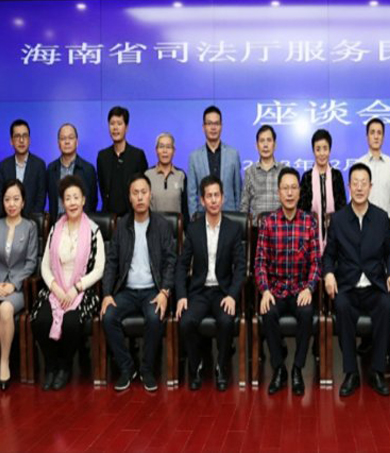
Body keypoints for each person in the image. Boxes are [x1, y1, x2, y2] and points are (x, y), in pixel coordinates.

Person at [323, 163, 390, 398]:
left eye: (363, 183)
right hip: (348, 285)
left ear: (370, 187)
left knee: (387, 304)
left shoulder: (381, 218)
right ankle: (351, 372)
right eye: (354, 183)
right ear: (349, 187)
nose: (359, 188)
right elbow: (329, 255)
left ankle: (377, 371)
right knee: (342, 306)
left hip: (374, 285)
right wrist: (328, 273)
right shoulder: (338, 219)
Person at [101, 174, 176, 392]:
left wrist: (164, 292)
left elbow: (171, 261)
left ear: (150, 195)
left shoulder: (161, 225)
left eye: (144, 192)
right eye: (136, 193)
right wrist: (107, 294)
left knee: (155, 317)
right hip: (127, 291)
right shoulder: (122, 225)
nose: (140, 197)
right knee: (108, 316)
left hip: (153, 290)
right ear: (130, 197)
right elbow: (112, 262)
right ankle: (127, 368)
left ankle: (147, 369)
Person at [30, 175, 105, 391]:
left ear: (83, 200)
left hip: (82, 290)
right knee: (40, 319)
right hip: (55, 289)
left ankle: (64, 366)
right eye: (67, 198)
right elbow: (45, 266)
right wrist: (55, 287)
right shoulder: (55, 229)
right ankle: (51, 364)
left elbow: (99, 268)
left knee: (71, 322)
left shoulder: (93, 230)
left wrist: (75, 288)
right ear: (63, 203)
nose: (72, 202)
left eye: (76, 197)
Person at [255, 167, 321, 396]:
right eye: (285, 188)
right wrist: (264, 290)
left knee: (306, 313)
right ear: (279, 192)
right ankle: (279, 368)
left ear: (299, 192)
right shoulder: (268, 222)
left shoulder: (309, 222)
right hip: (275, 290)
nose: (290, 193)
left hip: (300, 289)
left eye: (294, 188)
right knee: (268, 312)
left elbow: (316, 262)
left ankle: (297, 369)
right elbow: (260, 263)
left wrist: (310, 288)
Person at [176, 175, 246, 391]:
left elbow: (240, 267)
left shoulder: (233, 229)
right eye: (209, 196)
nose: (214, 200)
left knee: (226, 321)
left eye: (217, 195)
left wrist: (232, 295)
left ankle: (221, 367)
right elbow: (181, 265)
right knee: (186, 321)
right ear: (202, 200)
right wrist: (181, 296)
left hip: (223, 291)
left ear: (223, 198)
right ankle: (196, 365)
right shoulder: (194, 229)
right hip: (199, 291)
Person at [0, 179, 38, 391]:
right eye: (7, 199)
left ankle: (4, 362)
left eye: (16, 199)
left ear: (23, 202)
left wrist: (13, 285)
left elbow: (31, 263)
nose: (11, 204)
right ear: (2, 202)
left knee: (5, 309)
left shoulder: (30, 227)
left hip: (17, 287)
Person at [187, 105, 242, 218]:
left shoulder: (233, 154)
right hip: (203, 218)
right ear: (203, 127)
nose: (213, 127)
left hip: (229, 216)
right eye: (209, 123)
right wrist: (194, 218)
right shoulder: (194, 157)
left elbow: (238, 190)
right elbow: (191, 194)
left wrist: (236, 217)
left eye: (216, 123)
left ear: (221, 126)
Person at [298, 128, 347, 253]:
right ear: (313, 151)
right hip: (311, 235)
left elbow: (342, 207)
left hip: (335, 234)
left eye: (325, 148)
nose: (322, 153)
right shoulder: (307, 177)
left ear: (330, 150)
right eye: (318, 149)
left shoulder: (337, 175)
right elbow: (302, 209)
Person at [96, 106, 149, 216]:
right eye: (112, 124)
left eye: (119, 124)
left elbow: (143, 186)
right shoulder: (102, 156)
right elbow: (102, 188)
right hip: (108, 216)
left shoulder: (137, 155)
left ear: (126, 127)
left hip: (132, 215)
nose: (115, 128)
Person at [357, 118, 390, 240]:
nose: (376, 137)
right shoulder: (359, 164)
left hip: (385, 229)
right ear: (367, 137)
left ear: (383, 137)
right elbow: (353, 200)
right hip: (362, 228)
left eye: (379, 133)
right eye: (372, 133)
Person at [0, 119, 47, 214]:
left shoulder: (39, 165)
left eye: (25, 136)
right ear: (11, 141)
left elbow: (41, 199)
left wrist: (29, 221)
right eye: (17, 136)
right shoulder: (3, 166)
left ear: (29, 140)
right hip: (7, 220)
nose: (21, 140)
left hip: (32, 220)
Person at [46, 123, 97, 221]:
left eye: (70, 138)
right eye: (63, 138)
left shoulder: (88, 169)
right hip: (57, 223)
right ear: (58, 144)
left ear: (77, 142)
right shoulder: (51, 169)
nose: (67, 142)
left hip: (81, 224)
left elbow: (92, 202)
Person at [144, 132, 189, 225]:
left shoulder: (181, 175)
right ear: (156, 150)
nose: (165, 151)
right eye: (161, 146)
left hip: (176, 230)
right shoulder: (147, 175)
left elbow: (185, 208)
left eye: (168, 147)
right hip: (153, 229)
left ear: (174, 151)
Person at [240, 125, 283, 220]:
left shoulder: (283, 171)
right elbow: (244, 206)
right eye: (262, 141)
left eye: (269, 140)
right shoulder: (250, 172)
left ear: (275, 145)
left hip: (280, 226)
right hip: (256, 226)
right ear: (256, 146)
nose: (265, 145)